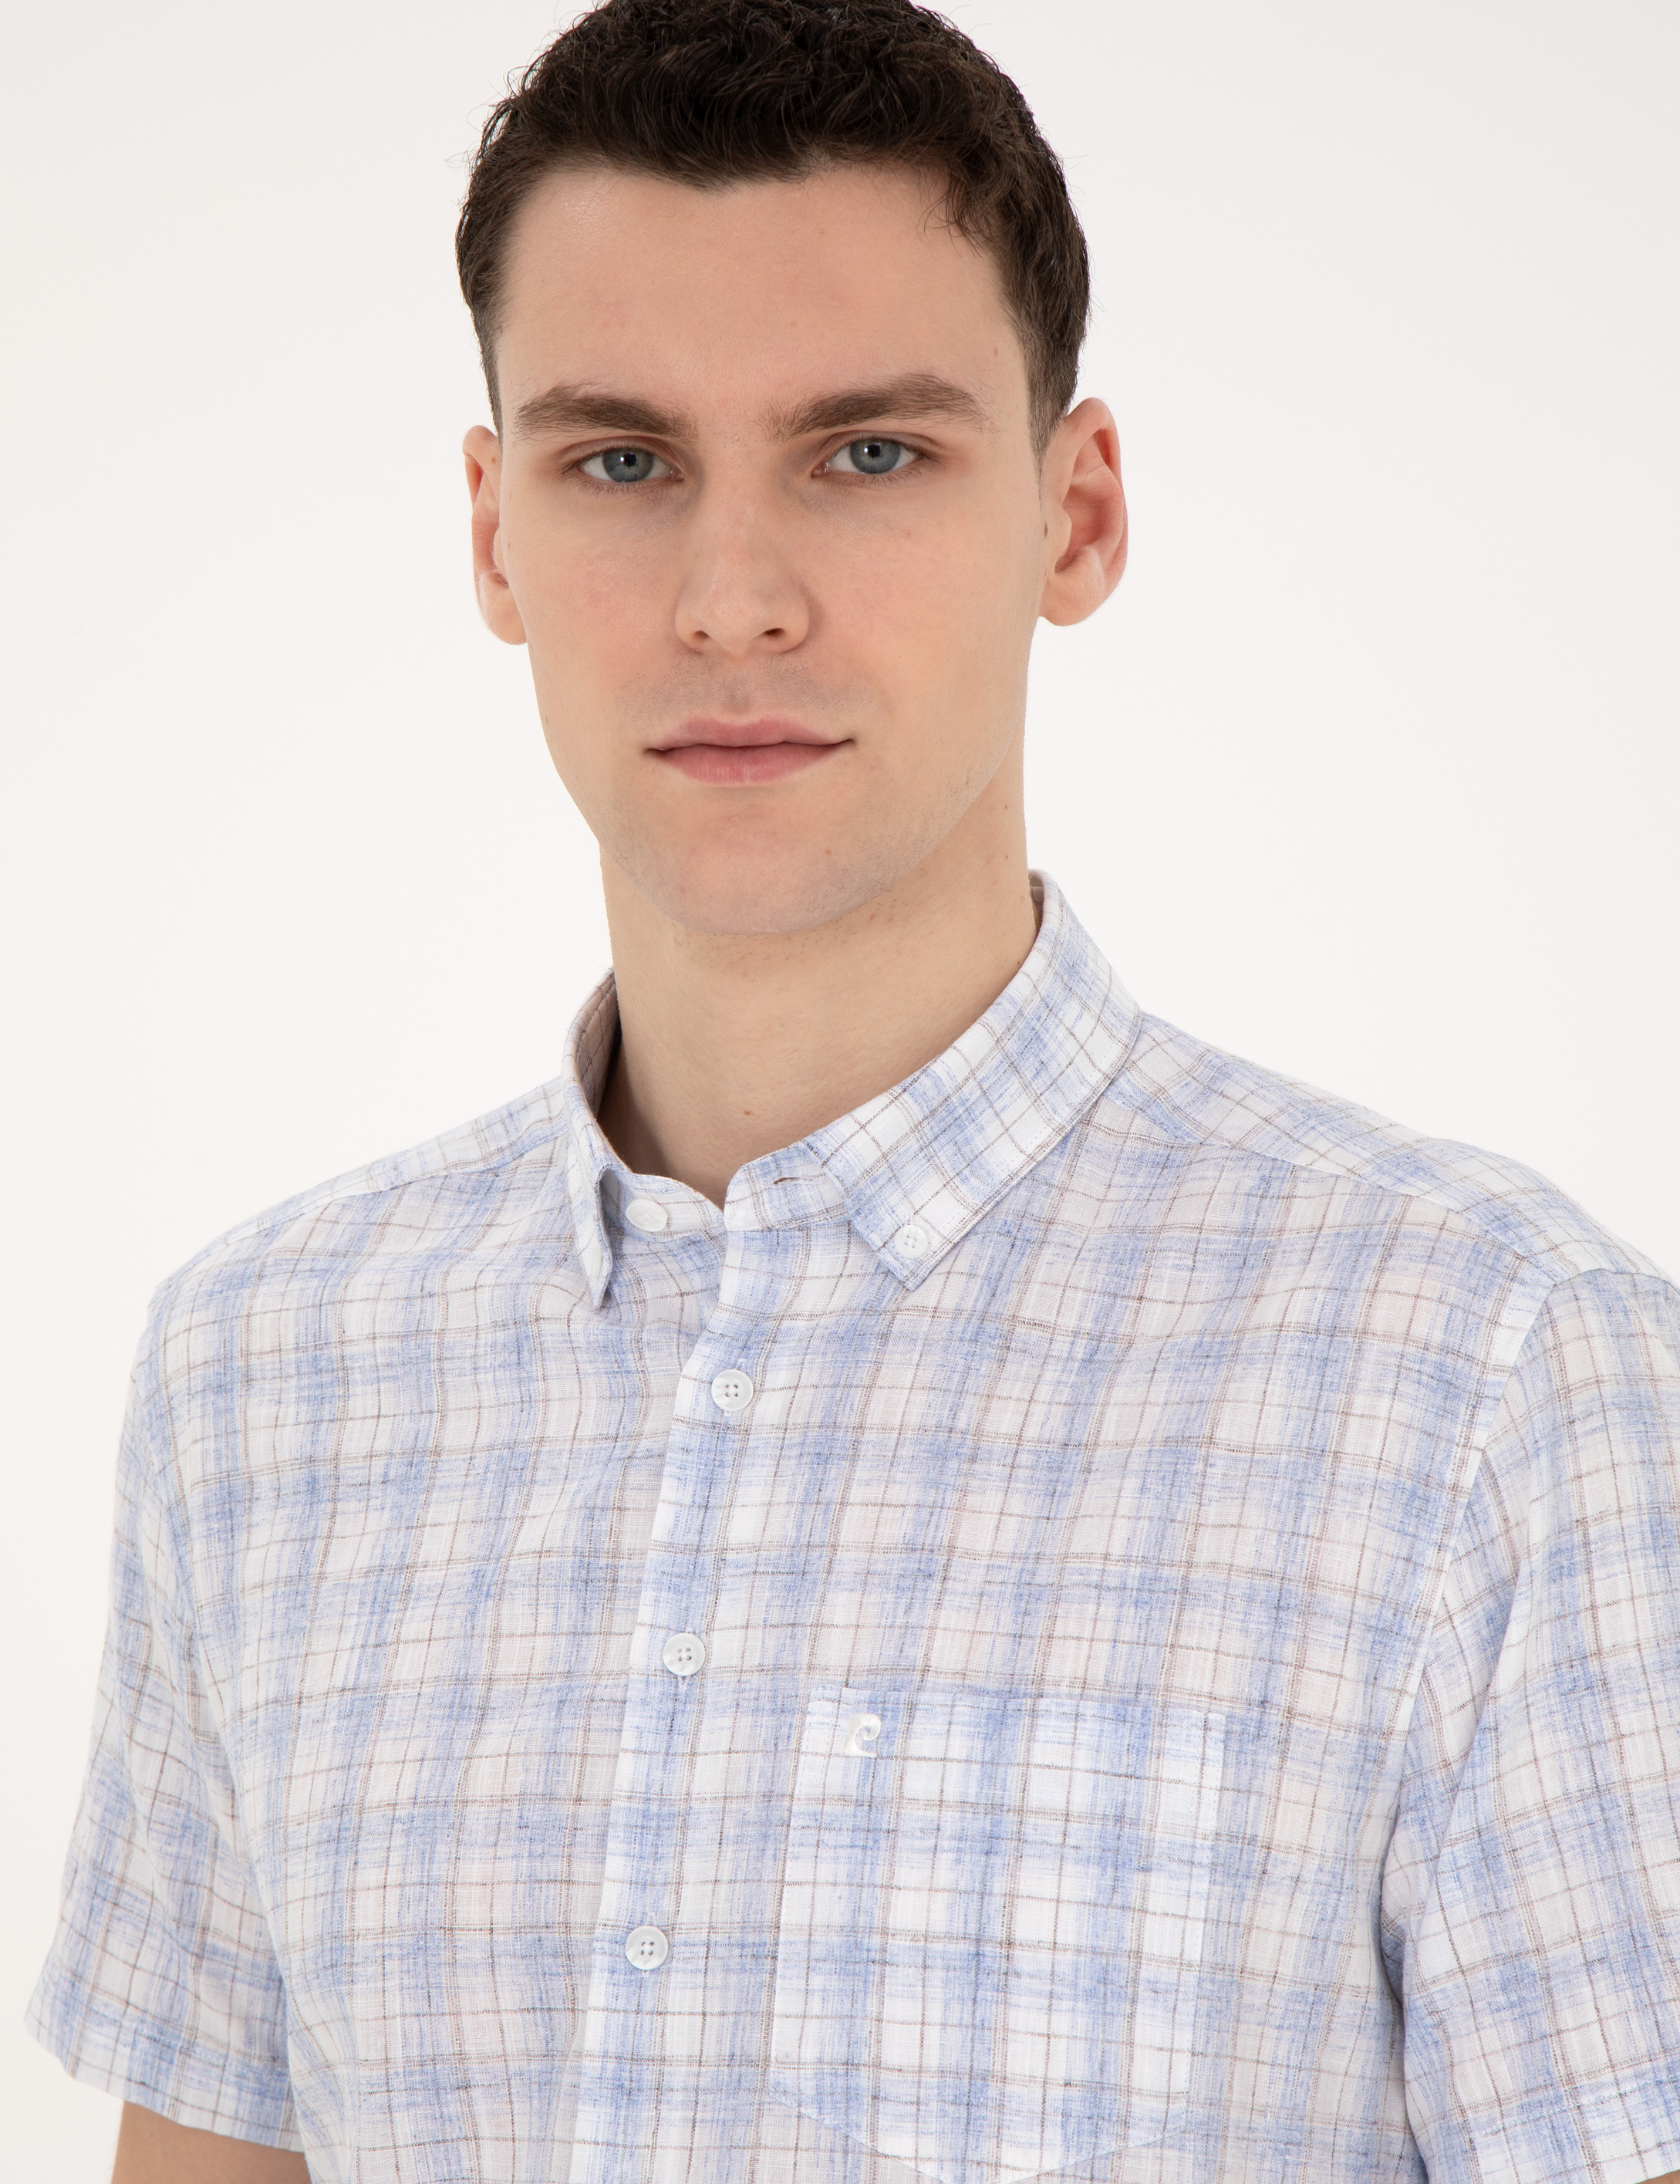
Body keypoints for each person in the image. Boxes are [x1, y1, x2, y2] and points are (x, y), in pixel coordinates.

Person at [28, 1, 1680, 2179]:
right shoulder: (263, 1378)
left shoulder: (1487, 1375)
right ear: (493, 531)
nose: (733, 604)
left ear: (1077, 515)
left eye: (868, 454)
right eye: (622, 463)